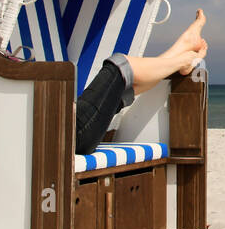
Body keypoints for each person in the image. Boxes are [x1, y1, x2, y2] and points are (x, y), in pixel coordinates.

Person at [74, 9, 207, 155]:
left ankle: (180, 50)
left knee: (123, 89)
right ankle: (183, 58)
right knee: (118, 66)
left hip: (71, 132)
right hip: (72, 133)